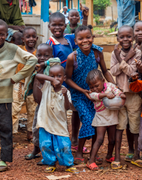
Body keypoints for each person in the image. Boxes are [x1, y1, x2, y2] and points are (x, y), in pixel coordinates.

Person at [0, 19, 37, 172]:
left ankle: (4, 160)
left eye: (2, 34)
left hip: (5, 99)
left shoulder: (12, 49)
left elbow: (32, 59)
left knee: (6, 129)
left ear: (6, 35)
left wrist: (16, 77)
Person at [65, 25, 115, 165]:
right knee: (88, 119)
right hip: (80, 95)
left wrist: (114, 87)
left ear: (93, 38)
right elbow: (67, 79)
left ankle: (94, 153)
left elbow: (105, 71)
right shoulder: (72, 57)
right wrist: (82, 91)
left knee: (97, 122)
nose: (85, 41)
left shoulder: (97, 53)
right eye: (81, 39)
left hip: (96, 94)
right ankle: (79, 151)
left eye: (88, 37)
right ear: (75, 41)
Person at [47, 12, 90, 154]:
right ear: (49, 26)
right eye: (54, 25)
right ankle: (61, 143)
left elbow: (82, 33)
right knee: (60, 113)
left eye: (60, 25)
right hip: (59, 84)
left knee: (76, 111)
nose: (57, 28)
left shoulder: (69, 39)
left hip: (73, 81)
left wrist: (85, 18)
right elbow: (48, 65)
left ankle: (75, 141)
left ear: (65, 26)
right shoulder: (50, 44)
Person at [35, 65, 78, 173]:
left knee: (64, 145)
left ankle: (68, 164)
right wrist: (51, 79)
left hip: (59, 123)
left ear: (64, 77)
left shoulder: (66, 91)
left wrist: (64, 96)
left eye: (59, 76)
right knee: (45, 144)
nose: (56, 78)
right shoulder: (46, 86)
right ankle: (50, 163)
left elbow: (67, 107)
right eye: (52, 76)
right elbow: (37, 75)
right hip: (45, 121)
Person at [110, 25, 142, 169]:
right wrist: (124, 59)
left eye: (128, 36)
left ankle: (137, 155)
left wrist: (124, 58)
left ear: (133, 37)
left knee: (135, 126)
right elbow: (114, 71)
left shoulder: (138, 53)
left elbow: (132, 72)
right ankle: (117, 156)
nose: (125, 39)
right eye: (122, 37)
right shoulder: (114, 53)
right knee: (120, 126)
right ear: (117, 39)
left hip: (134, 95)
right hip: (120, 95)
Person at [25, 43, 61, 161]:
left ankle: (53, 152)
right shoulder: (37, 68)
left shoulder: (53, 69)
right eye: (39, 55)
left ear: (51, 55)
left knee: (51, 128)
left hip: (51, 106)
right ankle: (36, 149)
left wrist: (44, 64)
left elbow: (57, 60)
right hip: (40, 105)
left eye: (46, 55)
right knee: (36, 128)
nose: (42, 58)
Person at [86, 69, 126, 170]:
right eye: (92, 87)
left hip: (112, 117)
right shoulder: (93, 93)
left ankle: (108, 156)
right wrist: (105, 95)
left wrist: (121, 95)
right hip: (101, 118)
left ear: (103, 81)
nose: (94, 88)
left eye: (96, 85)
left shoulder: (110, 86)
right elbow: (94, 96)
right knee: (99, 139)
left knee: (112, 139)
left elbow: (117, 91)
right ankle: (91, 160)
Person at [125, 20, 142, 163]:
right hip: (133, 90)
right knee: (130, 122)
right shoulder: (129, 48)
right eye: (137, 30)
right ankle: (131, 149)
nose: (140, 33)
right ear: (133, 32)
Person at [12, 27, 38, 140]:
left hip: (33, 85)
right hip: (19, 84)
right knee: (15, 108)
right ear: (23, 39)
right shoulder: (18, 50)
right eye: (28, 37)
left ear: (37, 38)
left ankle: (30, 132)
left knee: (32, 109)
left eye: (33, 37)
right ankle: (11, 132)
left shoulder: (39, 52)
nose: (31, 39)